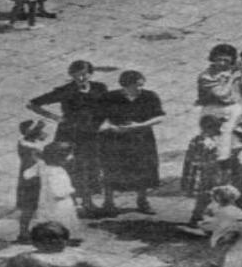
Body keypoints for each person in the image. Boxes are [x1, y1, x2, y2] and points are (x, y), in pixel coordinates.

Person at [28, 61, 108, 216]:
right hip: (71, 133)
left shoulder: (100, 88)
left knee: (92, 166)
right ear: (71, 75)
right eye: (77, 75)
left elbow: (107, 106)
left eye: (85, 74)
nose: (81, 77)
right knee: (73, 167)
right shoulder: (66, 90)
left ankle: (89, 202)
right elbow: (32, 104)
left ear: (91, 74)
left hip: (92, 133)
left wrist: (105, 122)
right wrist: (56, 118)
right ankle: (76, 203)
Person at [98, 70, 165, 215]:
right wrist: (111, 127)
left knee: (143, 169)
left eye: (141, 85)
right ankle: (108, 202)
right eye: (135, 86)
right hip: (116, 139)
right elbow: (101, 117)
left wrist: (139, 125)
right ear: (125, 86)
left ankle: (142, 201)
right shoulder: (110, 97)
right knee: (112, 169)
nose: (139, 89)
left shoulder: (150, 96)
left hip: (141, 138)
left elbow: (159, 117)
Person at [196, 44, 242, 162]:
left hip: (233, 107)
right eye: (219, 60)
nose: (222, 63)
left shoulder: (234, 70)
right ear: (213, 59)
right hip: (213, 108)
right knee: (214, 138)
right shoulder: (206, 76)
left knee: (236, 136)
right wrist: (232, 79)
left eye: (226, 60)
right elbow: (222, 94)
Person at [28, 141, 82, 242]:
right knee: (62, 218)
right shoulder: (57, 171)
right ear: (59, 158)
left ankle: (49, 237)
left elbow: (27, 174)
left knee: (47, 217)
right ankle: (63, 237)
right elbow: (58, 192)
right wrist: (71, 191)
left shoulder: (43, 166)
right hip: (60, 201)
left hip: (45, 199)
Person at [181, 115, 227, 229]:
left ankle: (199, 216)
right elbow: (207, 160)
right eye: (217, 128)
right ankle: (196, 218)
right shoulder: (207, 143)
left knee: (205, 196)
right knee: (205, 196)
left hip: (201, 172)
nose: (219, 131)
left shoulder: (197, 139)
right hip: (205, 174)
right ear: (209, 128)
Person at [15, 120, 47, 243]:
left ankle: (27, 231)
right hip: (31, 180)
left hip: (34, 177)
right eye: (39, 131)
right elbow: (33, 163)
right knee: (28, 206)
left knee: (32, 207)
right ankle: (23, 233)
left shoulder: (31, 143)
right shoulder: (27, 146)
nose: (43, 133)